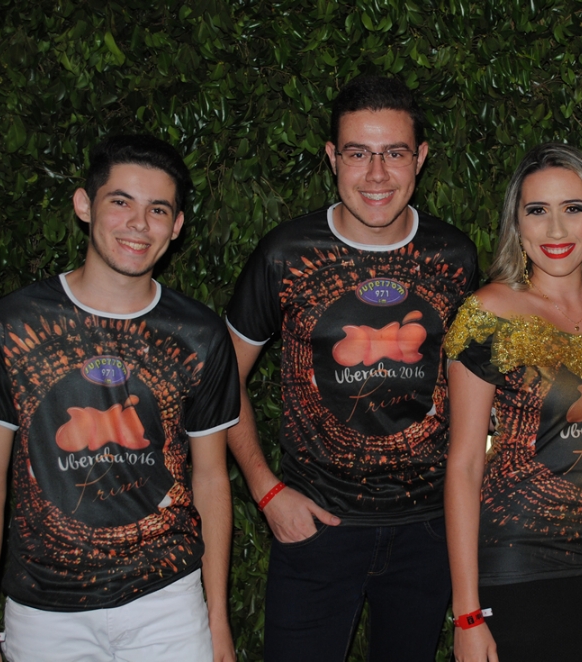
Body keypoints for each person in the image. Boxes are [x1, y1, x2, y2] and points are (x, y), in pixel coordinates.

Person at [225, 75, 479, 661]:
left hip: (428, 530)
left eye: (394, 153)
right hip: (316, 526)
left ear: (420, 158)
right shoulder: (286, 253)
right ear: (332, 157)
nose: (376, 174)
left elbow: (479, 391)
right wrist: (267, 491)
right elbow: (222, 381)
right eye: (358, 153)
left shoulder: (455, 256)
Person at [0, 135, 240, 662]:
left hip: (168, 603)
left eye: (158, 209)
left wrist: (216, 621)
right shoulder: (10, 325)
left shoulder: (199, 333)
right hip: (44, 611)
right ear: (84, 205)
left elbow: (209, 478)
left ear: (176, 226)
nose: (139, 224)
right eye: (121, 202)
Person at [443, 142, 582, 661]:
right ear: (517, 226)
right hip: (517, 561)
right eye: (537, 211)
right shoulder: (489, 312)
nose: (556, 230)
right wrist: (467, 613)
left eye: (573, 209)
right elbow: (465, 465)